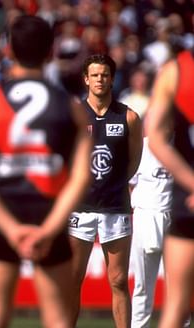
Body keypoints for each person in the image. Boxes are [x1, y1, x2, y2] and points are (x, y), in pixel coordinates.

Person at [0, 14, 92, 328]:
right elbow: (81, 177)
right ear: (50, 52)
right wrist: (48, 229)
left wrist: (9, 227)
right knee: (58, 319)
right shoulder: (72, 107)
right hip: (49, 213)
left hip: (5, 216)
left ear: (7, 51)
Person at [67, 54, 143, 327]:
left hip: (115, 207)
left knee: (118, 279)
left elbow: (133, 162)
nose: (100, 79)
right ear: (86, 79)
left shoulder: (129, 117)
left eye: (105, 75)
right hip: (80, 207)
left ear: (112, 78)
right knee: (72, 279)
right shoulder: (73, 115)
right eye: (95, 75)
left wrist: (113, 183)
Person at [146, 48, 194, 328]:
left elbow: (155, 137)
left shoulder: (175, 70)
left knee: (175, 307)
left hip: (186, 200)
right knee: (175, 308)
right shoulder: (175, 70)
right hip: (186, 204)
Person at [129, 131, 174, 328]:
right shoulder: (143, 146)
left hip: (177, 219)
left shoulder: (185, 144)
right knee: (143, 287)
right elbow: (130, 183)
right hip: (146, 216)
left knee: (179, 289)